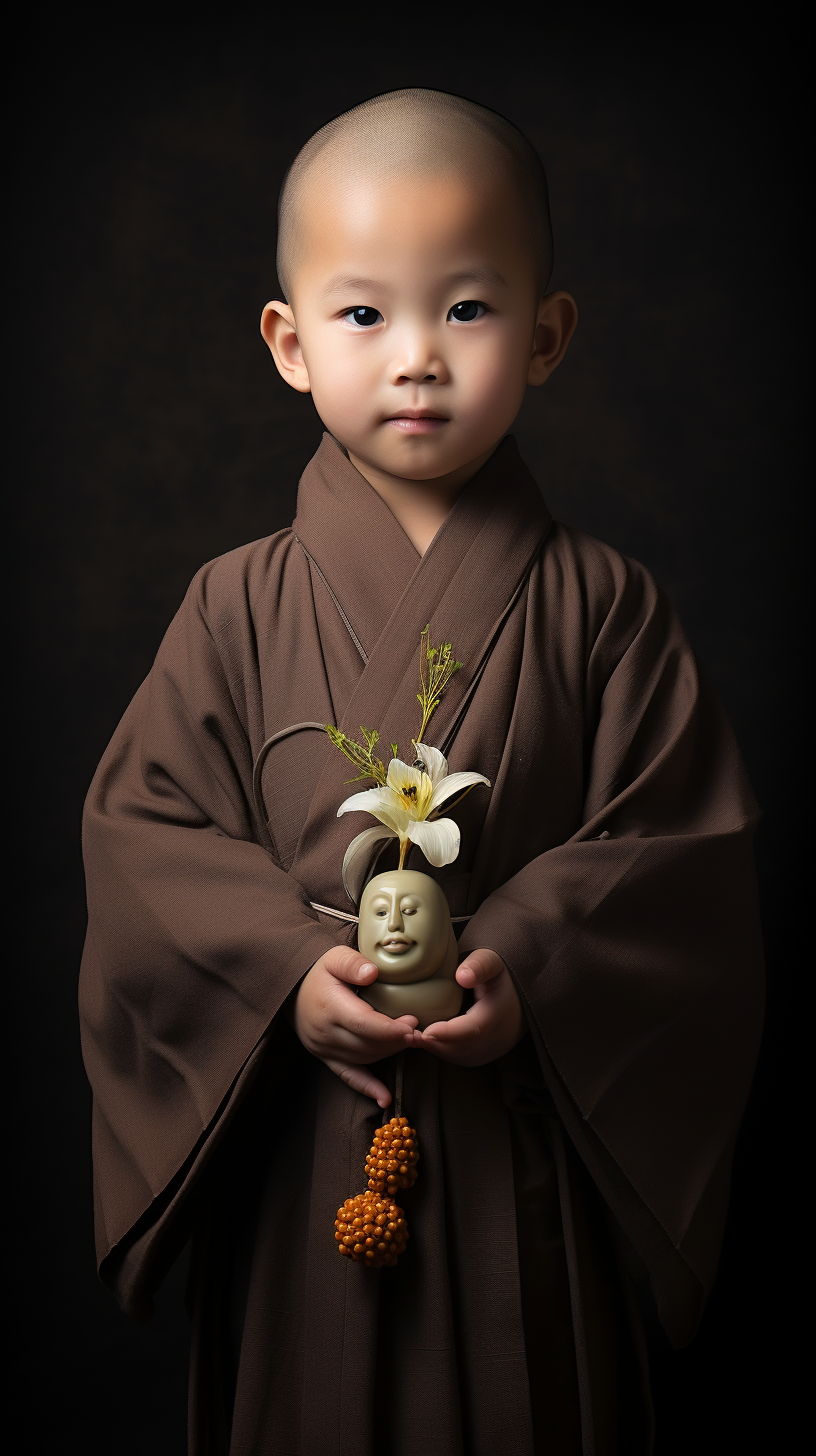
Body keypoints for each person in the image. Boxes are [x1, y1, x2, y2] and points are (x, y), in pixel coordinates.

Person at [79, 89, 764, 1455]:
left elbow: (679, 858)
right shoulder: (233, 606)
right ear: (287, 344)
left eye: (466, 309)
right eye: (361, 314)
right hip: (301, 1153)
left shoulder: (606, 608)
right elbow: (143, 841)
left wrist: (528, 959)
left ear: (549, 334)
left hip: (521, 1152)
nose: (416, 360)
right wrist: (285, 974)